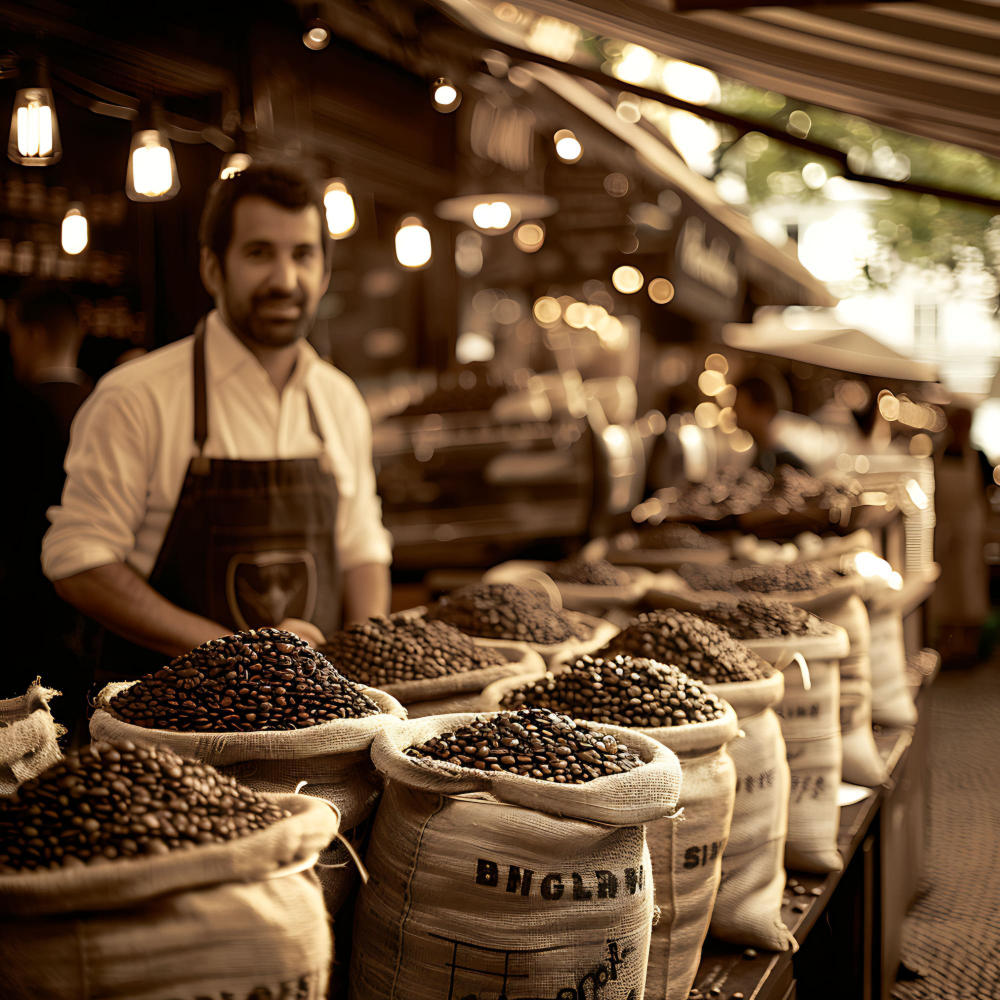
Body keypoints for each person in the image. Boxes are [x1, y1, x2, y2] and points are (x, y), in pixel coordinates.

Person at [42, 161, 393, 680]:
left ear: (324, 273)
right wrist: (241, 656)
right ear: (212, 268)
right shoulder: (136, 396)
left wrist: (366, 676)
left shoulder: (338, 399)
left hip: (316, 733)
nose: (285, 279)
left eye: (303, 255)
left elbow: (361, 548)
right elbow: (79, 562)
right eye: (258, 254)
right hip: (165, 730)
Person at [1, 285, 93, 721]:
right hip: (97, 616)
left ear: (33, 334)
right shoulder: (105, 405)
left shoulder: (15, 413)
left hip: (23, 608)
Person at [732, 373, 807, 474]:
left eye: (739, 404)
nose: (734, 410)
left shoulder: (787, 464)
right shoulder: (758, 456)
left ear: (764, 409)